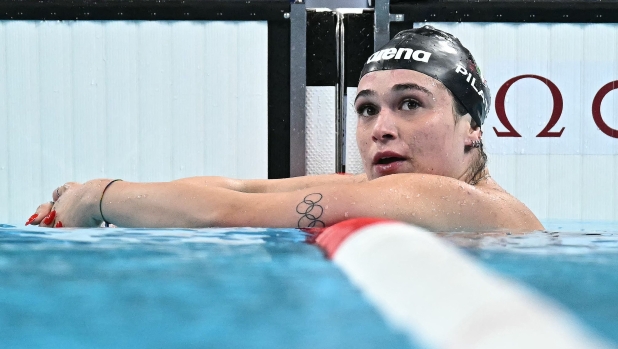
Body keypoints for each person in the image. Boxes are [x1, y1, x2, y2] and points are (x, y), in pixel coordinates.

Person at [27, 26, 543, 232]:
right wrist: (89, 190)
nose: (382, 129)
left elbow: (229, 213)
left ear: (472, 126)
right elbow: (240, 187)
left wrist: (99, 198)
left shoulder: (455, 201)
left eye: (410, 104)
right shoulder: (402, 193)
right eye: (367, 109)